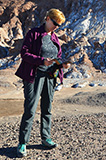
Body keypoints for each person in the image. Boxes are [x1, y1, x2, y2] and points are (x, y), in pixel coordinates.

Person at [15, 8, 69, 157]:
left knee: (47, 108)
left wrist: (62, 65)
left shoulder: (56, 39)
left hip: (50, 77)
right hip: (34, 76)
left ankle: (46, 138)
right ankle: (22, 143)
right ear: (47, 19)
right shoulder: (34, 33)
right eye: (55, 23)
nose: (57, 27)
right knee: (30, 109)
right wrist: (41, 61)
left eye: (59, 25)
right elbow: (24, 53)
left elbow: (57, 58)